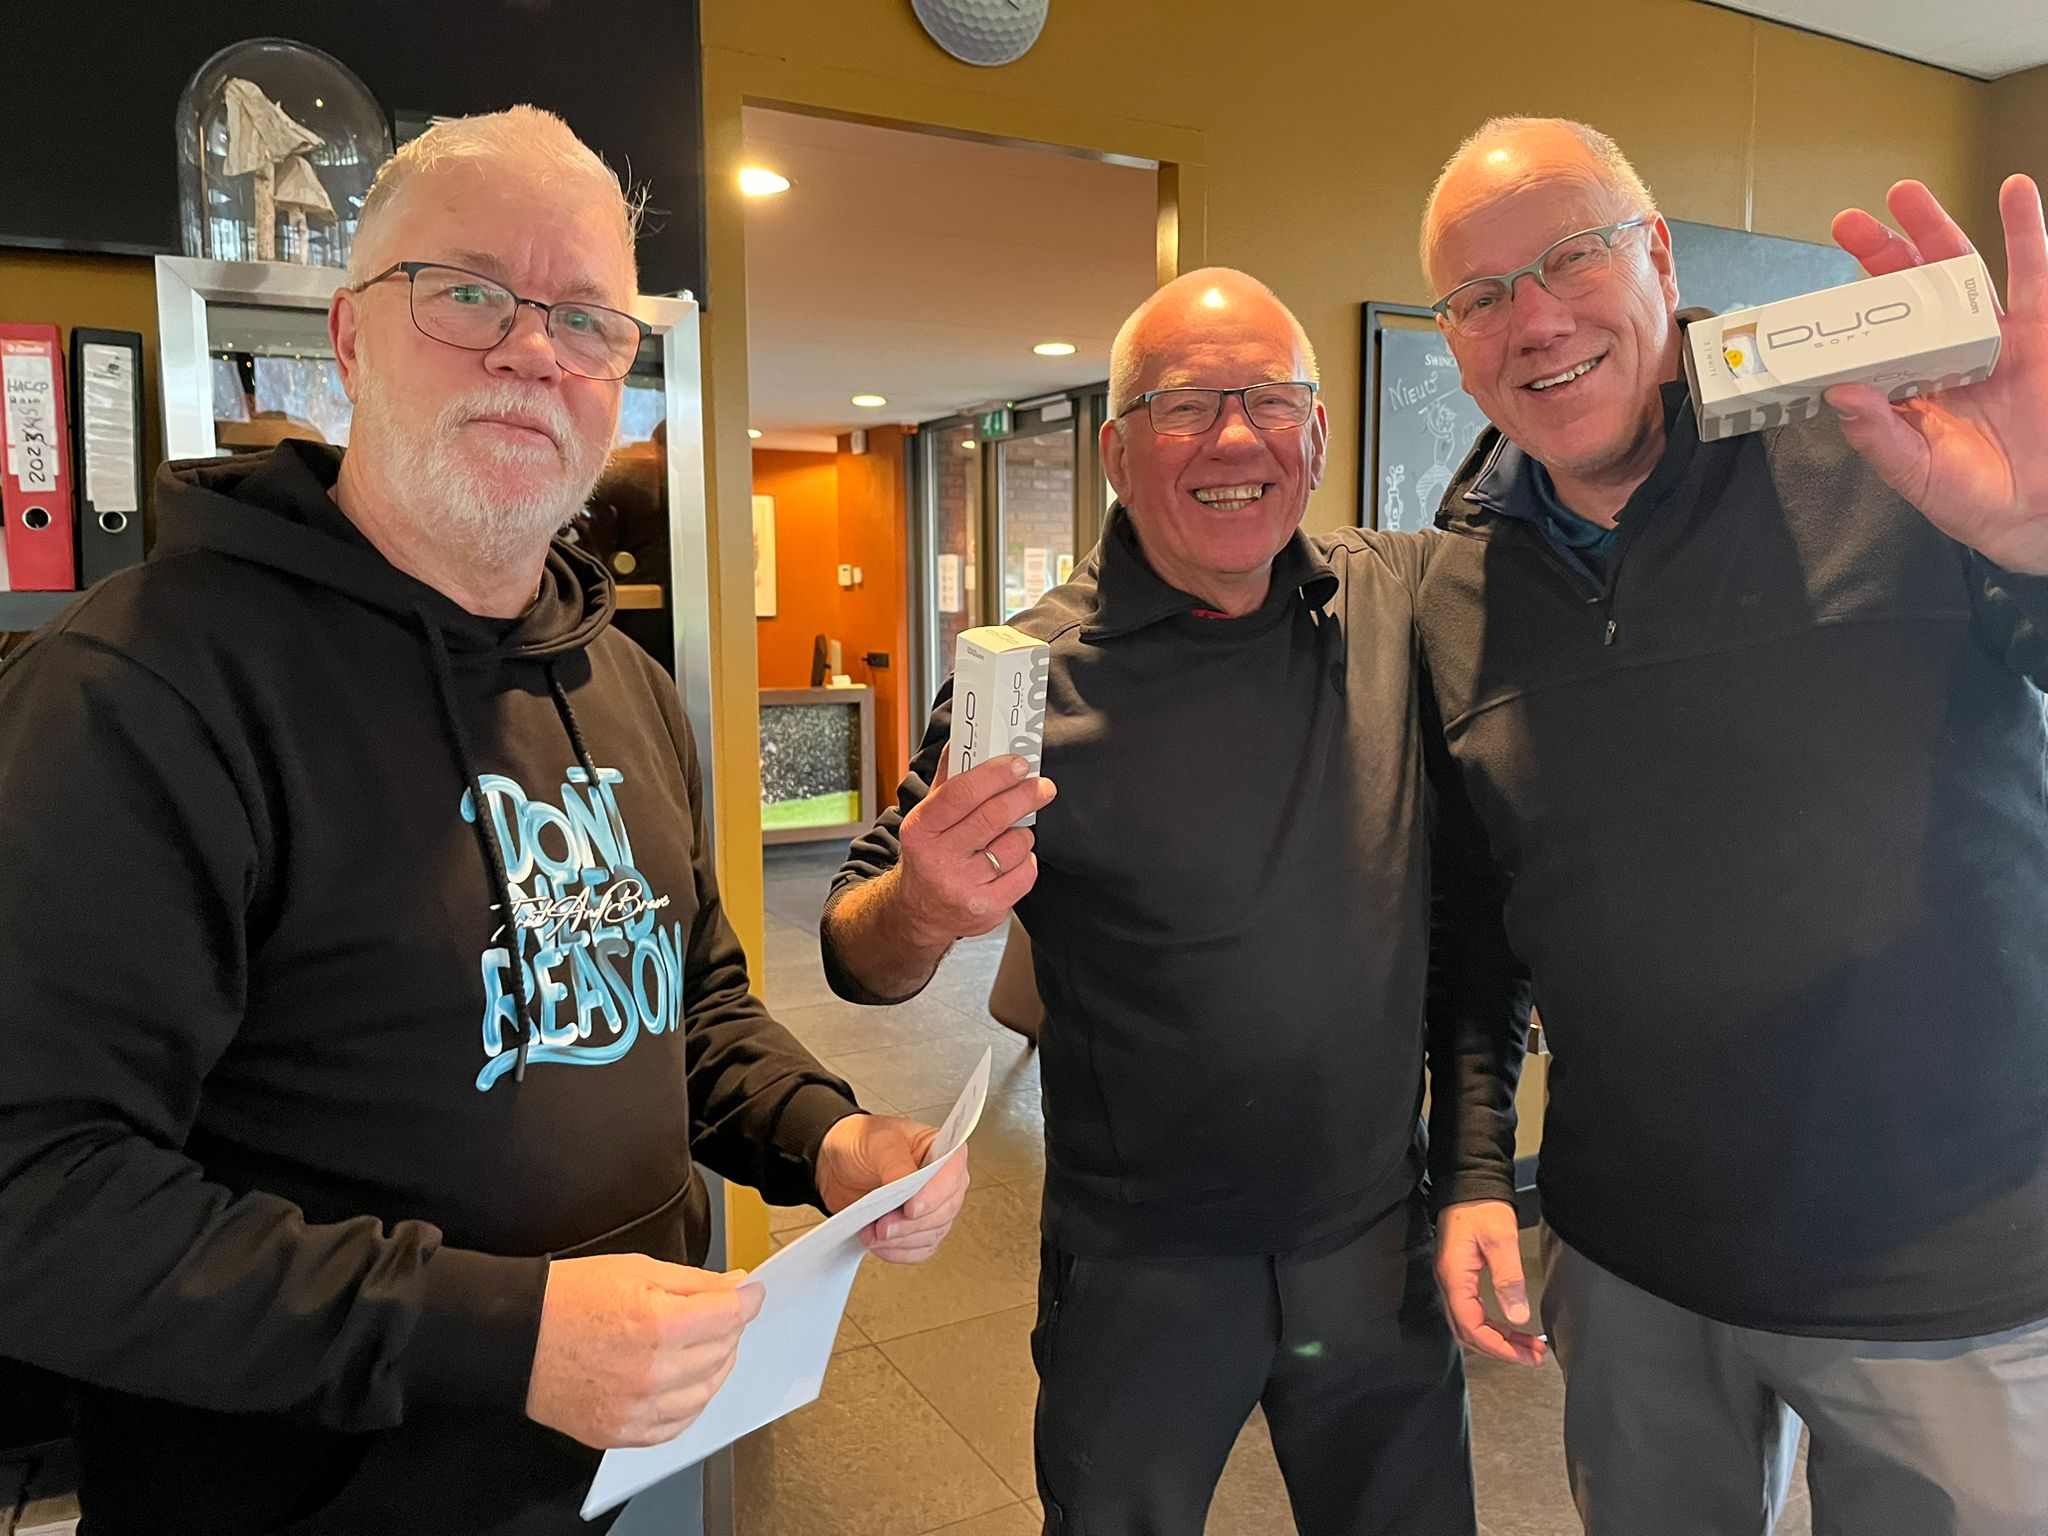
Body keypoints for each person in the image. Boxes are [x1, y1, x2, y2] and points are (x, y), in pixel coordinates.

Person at [0, 107, 967, 1536]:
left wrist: (827, 1137)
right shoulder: (140, 690)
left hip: (607, 1485)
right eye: (467, 293)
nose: (533, 351)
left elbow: (686, 1004)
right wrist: (504, 1336)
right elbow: (38, 1197)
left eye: (586, 319)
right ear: (347, 336)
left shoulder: (624, 683)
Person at [822, 267, 1531, 1536]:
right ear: (1114, 450)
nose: (1235, 438)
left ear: (1317, 433)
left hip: (1370, 1246)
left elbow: (1474, 921)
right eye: (1186, 405)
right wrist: (923, 909)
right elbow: (856, 953)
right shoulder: (1034, 677)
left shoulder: (1397, 604)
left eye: (1270, 400)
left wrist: (1473, 1170)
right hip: (1139, 1270)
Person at [1417, 116, 2048, 1535]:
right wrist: (1473, 1169)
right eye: (1479, 294)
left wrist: (2038, 542)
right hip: (1634, 1266)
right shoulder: (1461, 589)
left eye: (1568, 258)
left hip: (1943, 1262)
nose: (1533, 319)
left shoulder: (1889, 444)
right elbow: (1481, 917)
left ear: (1656, 254)